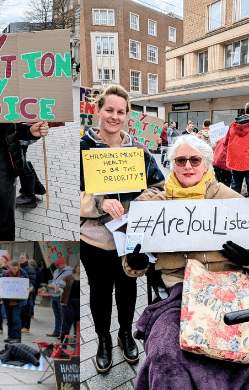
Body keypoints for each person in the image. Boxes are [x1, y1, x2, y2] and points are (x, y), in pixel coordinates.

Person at [125, 134, 249, 390]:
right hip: (181, 290)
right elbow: (130, 253)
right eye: (181, 161)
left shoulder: (231, 198)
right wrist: (134, 261)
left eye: (196, 160)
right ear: (171, 165)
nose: (188, 166)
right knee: (166, 352)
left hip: (233, 286)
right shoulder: (152, 203)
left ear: (207, 163)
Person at [79, 84, 164, 373]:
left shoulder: (138, 150)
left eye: (120, 111)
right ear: (98, 111)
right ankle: (103, 339)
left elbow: (159, 187)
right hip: (95, 240)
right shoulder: (82, 148)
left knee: (128, 288)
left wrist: (144, 198)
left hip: (130, 239)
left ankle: (125, 333)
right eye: (109, 110)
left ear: (127, 115)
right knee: (100, 292)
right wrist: (99, 203)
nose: (114, 116)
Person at [0, 260, 33, 344]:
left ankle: (17, 337)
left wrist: (30, 288)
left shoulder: (23, 273)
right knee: (9, 319)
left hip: (18, 301)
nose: (13, 271)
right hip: (8, 300)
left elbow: (29, 283)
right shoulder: (5, 273)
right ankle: (10, 336)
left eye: (15, 269)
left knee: (16, 319)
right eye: (12, 269)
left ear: (18, 267)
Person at [45, 258, 72, 338]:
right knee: (56, 314)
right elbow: (55, 281)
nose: (56, 267)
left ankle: (63, 333)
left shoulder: (68, 272)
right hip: (54, 294)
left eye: (58, 265)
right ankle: (56, 331)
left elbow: (62, 284)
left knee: (62, 315)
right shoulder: (56, 271)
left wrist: (53, 286)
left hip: (61, 295)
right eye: (55, 265)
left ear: (63, 264)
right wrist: (50, 285)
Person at [59, 263, 79, 338]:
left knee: (77, 324)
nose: (79, 268)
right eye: (78, 266)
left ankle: (76, 343)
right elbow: (61, 288)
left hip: (80, 303)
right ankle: (63, 343)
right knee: (66, 323)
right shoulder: (68, 277)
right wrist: (59, 290)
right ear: (75, 268)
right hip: (68, 302)